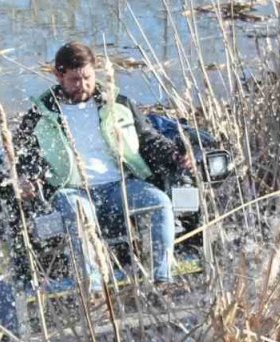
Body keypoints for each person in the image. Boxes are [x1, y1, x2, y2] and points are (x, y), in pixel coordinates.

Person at [13, 42, 191, 285]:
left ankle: (161, 279)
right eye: (74, 80)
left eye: (87, 77)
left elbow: (148, 139)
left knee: (159, 202)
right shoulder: (39, 114)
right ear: (58, 75)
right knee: (79, 217)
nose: (82, 86)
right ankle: (94, 288)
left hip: (120, 185)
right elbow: (23, 155)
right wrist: (26, 178)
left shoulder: (118, 104)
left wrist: (174, 154)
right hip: (72, 189)